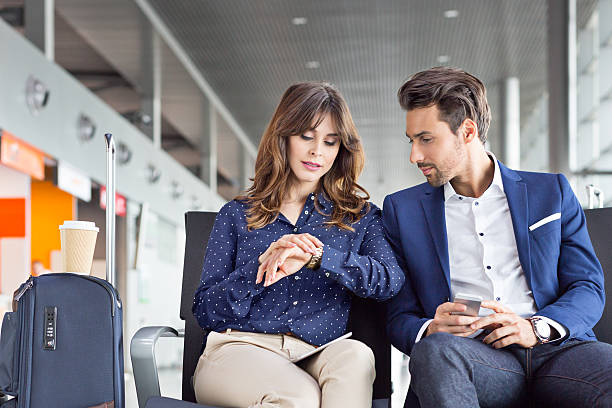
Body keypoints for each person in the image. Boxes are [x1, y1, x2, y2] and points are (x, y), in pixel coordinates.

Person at [383, 67, 612, 408]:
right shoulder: (403, 211)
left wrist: (536, 328)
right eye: (412, 140)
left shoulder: (551, 192)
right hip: (474, 358)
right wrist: (431, 328)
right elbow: (397, 316)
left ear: (467, 131)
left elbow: (587, 287)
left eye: (426, 139)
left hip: (558, 351)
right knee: (436, 353)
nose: (415, 155)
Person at [192, 81, 405, 408]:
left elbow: (389, 280)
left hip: (318, 352)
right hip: (238, 351)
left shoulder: (359, 217)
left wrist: (321, 257)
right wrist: (263, 267)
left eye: (330, 142)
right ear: (284, 137)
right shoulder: (237, 215)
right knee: (300, 397)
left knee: (357, 357)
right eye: (306, 137)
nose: (317, 152)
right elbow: (206, 310)